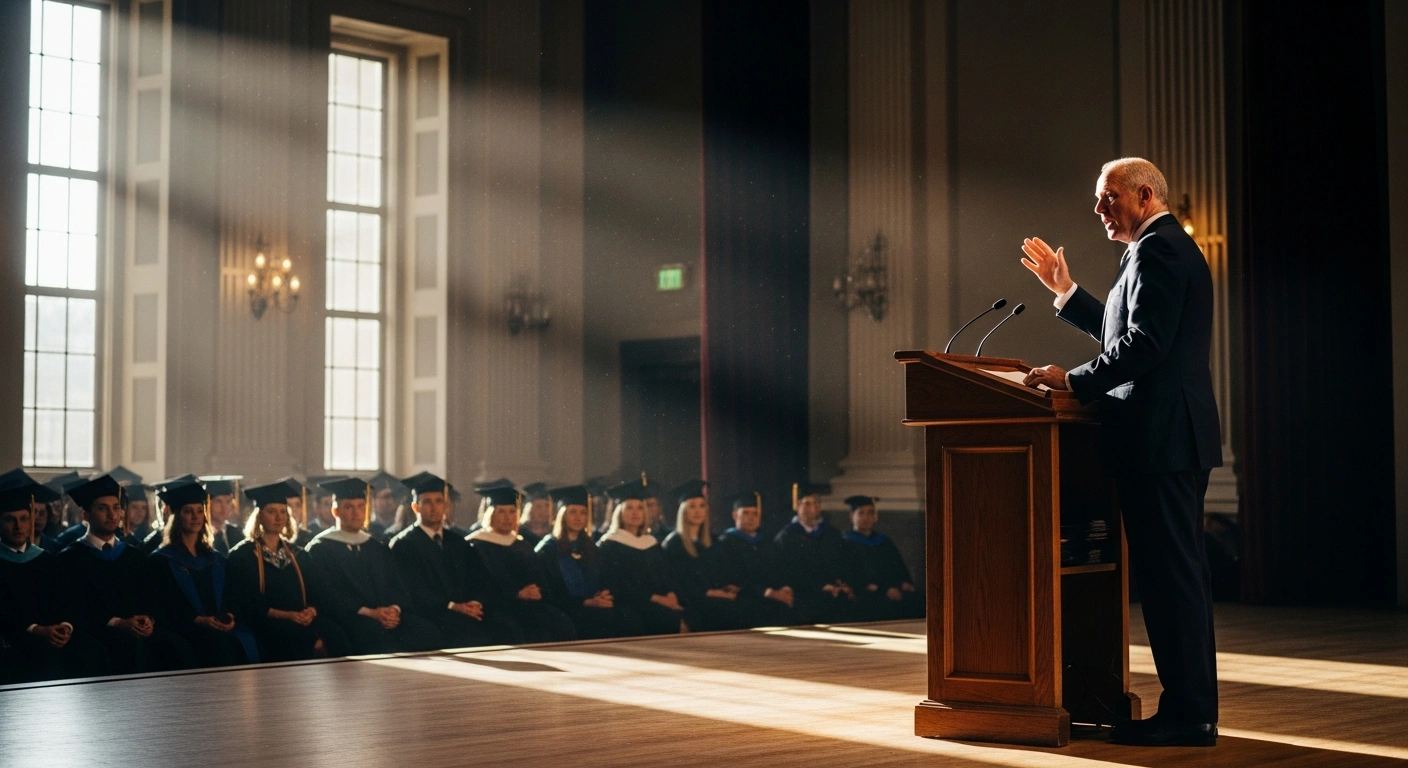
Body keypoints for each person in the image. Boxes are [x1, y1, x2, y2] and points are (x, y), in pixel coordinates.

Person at [1020, 157, 1221, 747]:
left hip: (1161, 440)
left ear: (1143, 193)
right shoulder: (1158, 247)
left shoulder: (1159, 248)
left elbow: (1144, 345)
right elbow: (1126, 331)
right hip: (1165, 439)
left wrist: (1074, 381)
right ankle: (1192, 712)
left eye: (1109, 198)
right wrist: (1067, 293)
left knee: (1173, 582)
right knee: (1174, 579)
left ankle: (1189, 717)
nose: (1099, 209)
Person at [58, 475, 197, 674]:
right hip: (100, 631)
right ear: (86, 515)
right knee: (127, 649)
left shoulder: (133, 554)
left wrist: (149, 619)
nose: (112, 515)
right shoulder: (70, 558)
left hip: (138, 628)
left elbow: (152, 596)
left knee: (177, 646)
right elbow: (75, 607)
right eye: (103, 508)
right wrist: (118, 623)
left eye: (116, 507)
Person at [304, 477, 442, 654]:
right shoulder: (320, 548)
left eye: (361, 506)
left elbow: (396, 584)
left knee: (426, 632)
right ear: (336, 511)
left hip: (383, 616)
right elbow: (328, 594)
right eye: (349, 507)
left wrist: (393, 609)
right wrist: (371, 613)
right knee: (376, 637)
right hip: (351, 617)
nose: (356, 513)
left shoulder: (375, 546)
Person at [390, 472, 522, 647]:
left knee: (505, 626)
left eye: (439, 501)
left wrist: (475, 602)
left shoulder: (457, 541)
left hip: (464, 609)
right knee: (466, 631)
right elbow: (414, 590)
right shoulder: (404, 543)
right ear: (416, 507)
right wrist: (453, 606)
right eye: (427, 502)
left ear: (446, 505)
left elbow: (478, 577)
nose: (434, 508)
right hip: (432, 612)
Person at [0, 482, 111, 682]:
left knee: (93, 649)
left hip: (55, 632)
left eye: (24, 519)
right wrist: (38, 630)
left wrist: (66, 626)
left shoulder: (47, 559)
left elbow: (66, 599)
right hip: (16, 635)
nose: (18, 526)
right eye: (10, 520)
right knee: (41, 655)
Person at [227, 482, 349, 662]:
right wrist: (290, 616)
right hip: (268, 622)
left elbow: (316, 591)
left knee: (337, 634)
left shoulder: (298, 553)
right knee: (298, 639)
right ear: (259, 516)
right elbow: (249, 604)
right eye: (271, 511)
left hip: (300, 618)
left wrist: (312, 611)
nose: (278, 517)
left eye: (283, 511)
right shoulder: (243, 555)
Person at [149, 481, 259, 667]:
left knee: (245, 638)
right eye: (188, 511)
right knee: (218, 646)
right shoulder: (162, 560)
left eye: (200, 511)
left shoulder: (216, 559)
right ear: (176, 516)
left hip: (218, 626)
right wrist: (198, 620)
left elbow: (231, 595)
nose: (195, 517)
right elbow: (164, 604)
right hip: (187, 628)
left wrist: (229, 616)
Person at [468, 484, 577, 643]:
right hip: (496, 607)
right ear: (491, 515)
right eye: (501, 512)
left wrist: (537, 591)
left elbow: (539, 579)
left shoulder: (521, 544)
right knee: (514, 628)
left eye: (512, 512)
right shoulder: (477, 544)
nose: (507, 517)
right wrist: (516, 594)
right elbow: (480, 586)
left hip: (527, 604)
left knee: (559, 621)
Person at [534, 485, 641, 639]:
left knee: (627, 616)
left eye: (583, 513)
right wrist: (585, 602)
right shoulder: (548, 550)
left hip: (594, 604)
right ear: (562, 516)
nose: (578, 518)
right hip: (567, 609)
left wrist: (604, 595)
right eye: (573, 512)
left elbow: (607, 578)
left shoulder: (591, 548)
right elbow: (548, 593)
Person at [596, 479, 694, 635]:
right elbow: (617, 584)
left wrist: (671, 593)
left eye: (640, 508)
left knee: (692, 614)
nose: (635, 513)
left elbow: (668, 575)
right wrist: (656, 598)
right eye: (629, 508)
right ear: (619, 513)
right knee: (665, 618)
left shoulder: (652, 544)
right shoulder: (609, 545)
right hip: (631, 604)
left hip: (660, 601)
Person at [714, 492, 809, 627]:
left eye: (755, 513)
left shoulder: (766, 542)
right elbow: (733, 580)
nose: (751, 518)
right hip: (747, 600)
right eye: (746, 513)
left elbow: (780, 570)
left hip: (772, 597)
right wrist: (768, 592)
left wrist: (785, 587)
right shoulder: (726, 543)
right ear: (735, 515)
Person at [661, 480, 742, 631]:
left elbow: (718, 573)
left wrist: (726, 586)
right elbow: (677, 582)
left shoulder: (711, 541)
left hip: (713, 599)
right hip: (691, 603)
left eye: (702, 505)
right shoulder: (674, 544)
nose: (697, 511)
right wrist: (710, 592)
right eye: (692, 506)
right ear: (683, 511)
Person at [773, 482, 857, 623]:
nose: (811, 508)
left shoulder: (832, 533)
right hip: (804, 595)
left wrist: (841, 583)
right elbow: (786, 571)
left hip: (833, 593)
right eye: (806, 504)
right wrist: (820, 586)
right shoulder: (786, 537)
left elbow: (843, 563)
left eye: (816, 504)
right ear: (797, 507)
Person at [839, 495, 921, 621]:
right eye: (861, 513)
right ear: (851, 517)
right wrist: (884, 590)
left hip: (892, 590)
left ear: (876, 517)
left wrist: (903, 583)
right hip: (866, 593)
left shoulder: (884, 541)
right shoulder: (845, 542)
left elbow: (899, 568)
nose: (866, 518)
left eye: (870, 513)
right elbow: (852, 576)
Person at [200, 476, 244, 555]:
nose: (224, 508)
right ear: (207, 503)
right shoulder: (200, 533)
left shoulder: (237, 533)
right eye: (218, 501)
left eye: (228, 502)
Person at [368, 471, 406, 542]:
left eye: (394, 496)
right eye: (386, 497)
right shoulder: (368, 531)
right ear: (373, 501)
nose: (391, 501)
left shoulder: (404, 529)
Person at [517, 483, 553, 550]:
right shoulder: (519, 532)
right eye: (538, 507)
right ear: (528, 509)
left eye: (547, 506)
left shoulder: (554, 531)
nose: (544, 511)